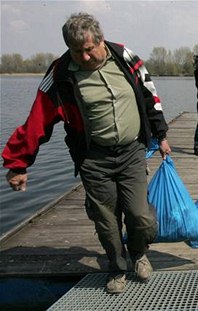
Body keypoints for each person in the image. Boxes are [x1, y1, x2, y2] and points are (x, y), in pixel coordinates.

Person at [2, 12, 172, 294]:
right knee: (106, 222)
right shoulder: (61, 73)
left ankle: (139, 253)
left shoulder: (125, 57)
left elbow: (149, 95)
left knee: (140, 216)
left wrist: (161, 134)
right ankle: (117, 268)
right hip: (94, 159)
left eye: (89, 49)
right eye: (76, 51)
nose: (84, 57)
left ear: (101, 40)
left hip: (131, 152)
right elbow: (37, 119)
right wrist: (19, 163)